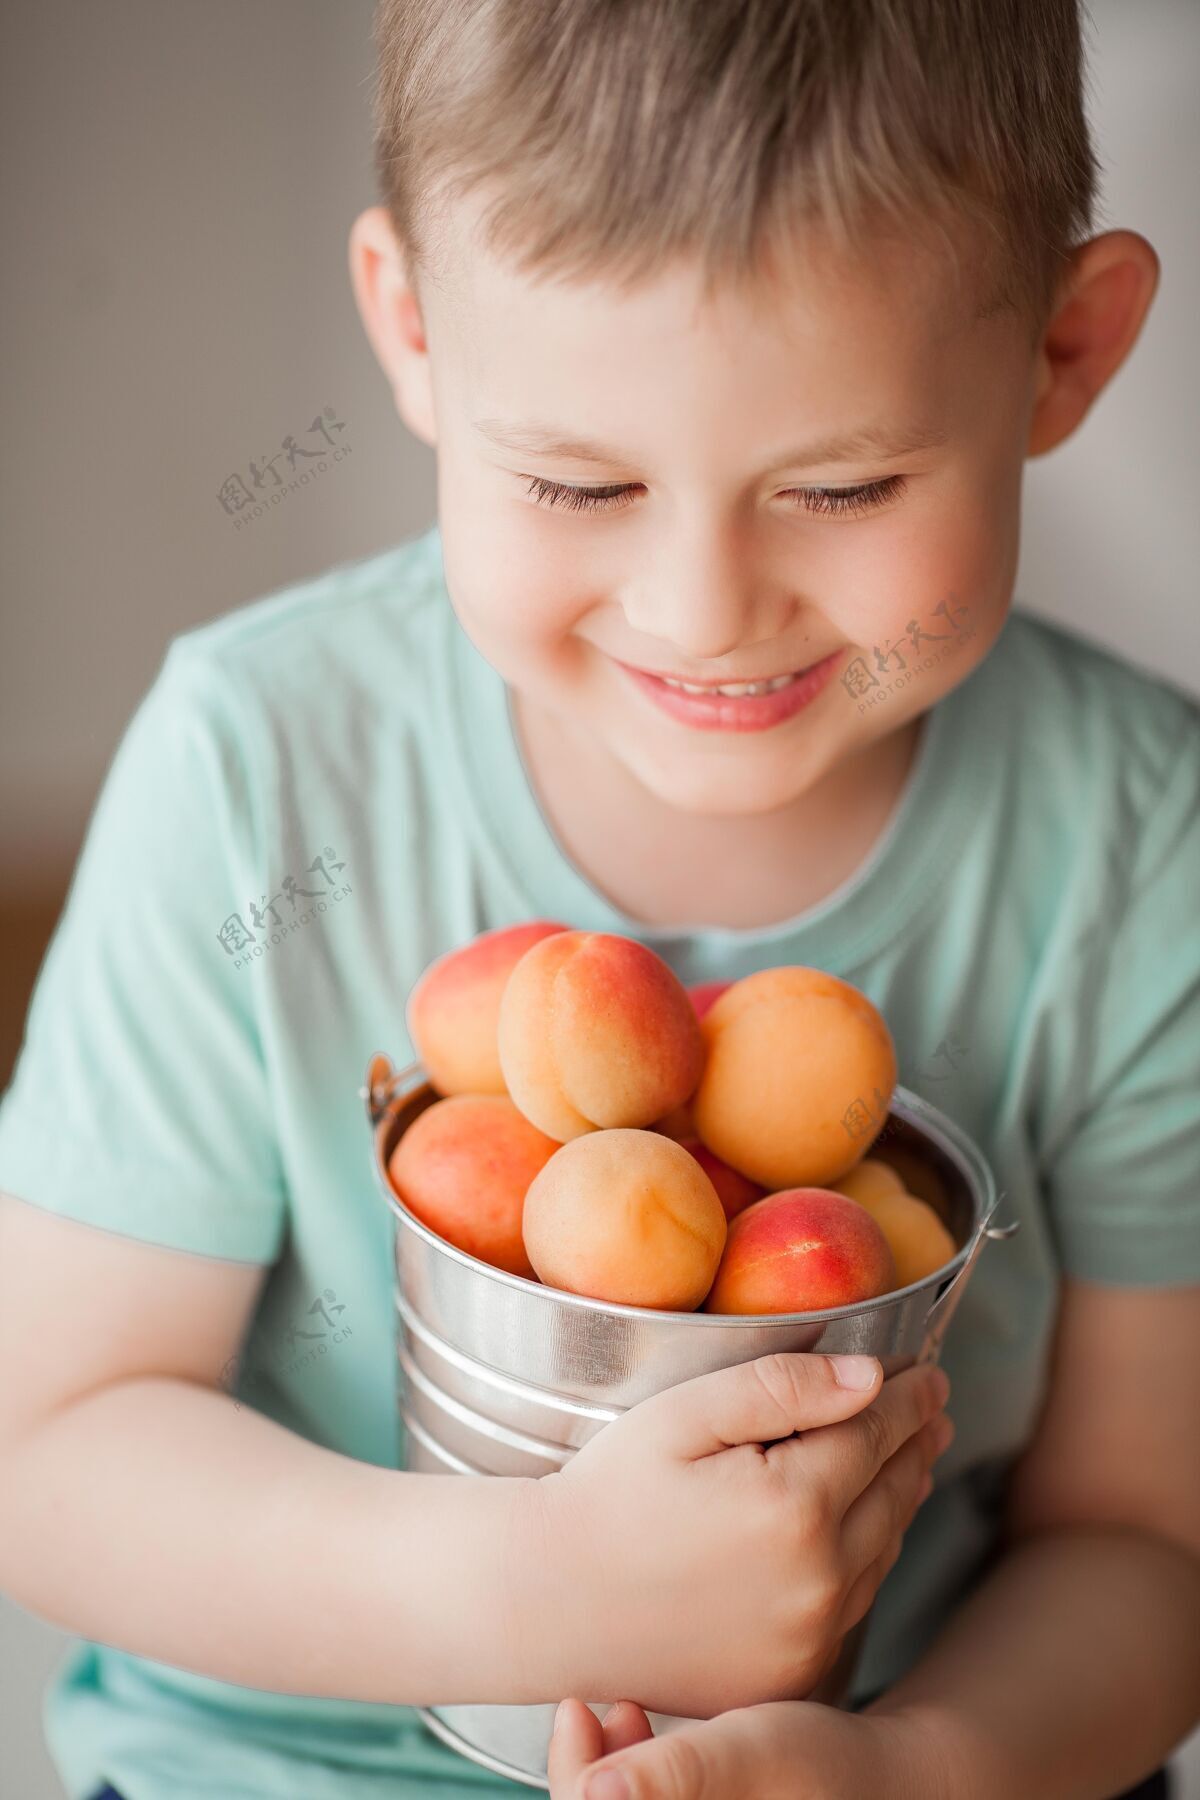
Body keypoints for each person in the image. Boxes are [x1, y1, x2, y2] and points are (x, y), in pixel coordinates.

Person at [1, 2, 1197, 1797]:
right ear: (412, 331)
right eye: (579, 479)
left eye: (840, 484)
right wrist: (530, 1587)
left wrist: (925, 1772)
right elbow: (46, 1449)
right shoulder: (261, 768)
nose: (703, 609)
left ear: (1063, 348)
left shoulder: (1135, 843)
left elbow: (1152, 1543)